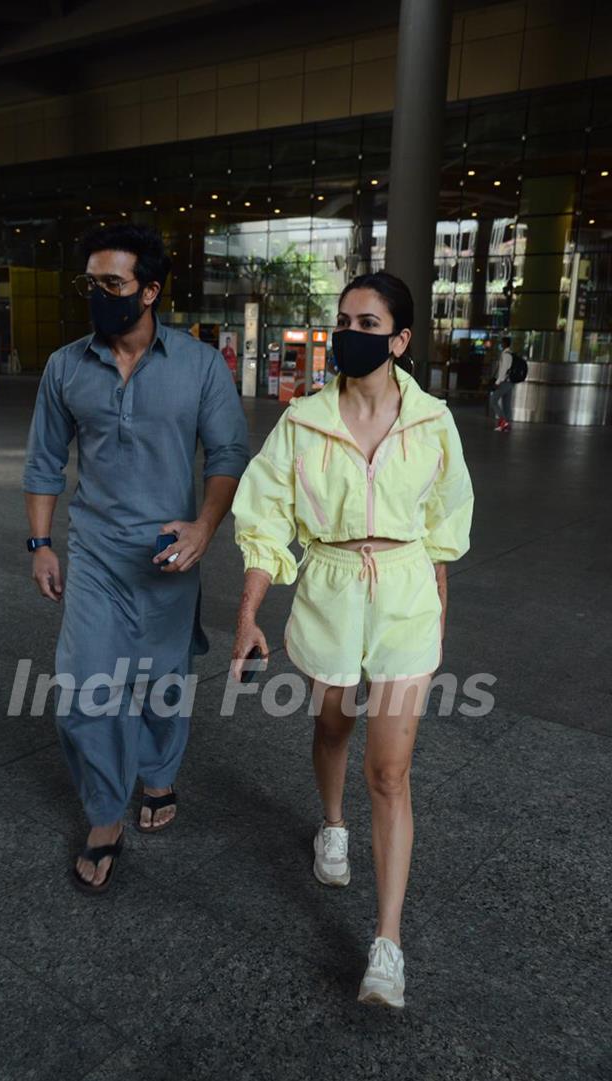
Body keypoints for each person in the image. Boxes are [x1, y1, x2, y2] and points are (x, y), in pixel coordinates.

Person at [231, 271, 473, 1009]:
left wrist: (434, 616)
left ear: (400, 340)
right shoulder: (303, 422)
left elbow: (444, 524)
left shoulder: (433, 422)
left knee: (391, 771)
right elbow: (265, 518)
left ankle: (387, 945)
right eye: (343, 319)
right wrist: (248, 613)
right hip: (331, 585)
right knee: (333, 723)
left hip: (403, 595)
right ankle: (331, 825)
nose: (349, 332)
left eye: (367, 322)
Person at [23, 223, 249, 895]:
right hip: (94, 552)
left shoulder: (202, 365)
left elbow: (228, 455)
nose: (97, 295)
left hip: (170, 552)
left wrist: (206, 527)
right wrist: (40, 544)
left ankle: (158, 770)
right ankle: (102, 813)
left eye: (112, 284)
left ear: (150, 291)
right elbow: (43, 464)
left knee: (162, 680)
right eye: (90, 283)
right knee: (85, 690)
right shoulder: (66, 366)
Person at [490, 335, 514, 432]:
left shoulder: (505, 355)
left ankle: (504, 422)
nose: (500, 344)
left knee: (493, 400)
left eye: (501, 343)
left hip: (504, 382)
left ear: (504, 344)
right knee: (506, 404)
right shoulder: (511, 354)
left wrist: (497, 382)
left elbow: (503, 370)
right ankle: (506, 425)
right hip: (510, 382)